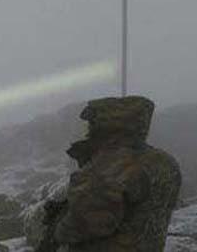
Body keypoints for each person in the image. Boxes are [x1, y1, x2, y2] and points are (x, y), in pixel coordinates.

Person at [51, 96, 182, 252]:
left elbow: (82, 225)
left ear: (106, 126)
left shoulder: (111, 164)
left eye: (92, 123)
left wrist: (57, 227)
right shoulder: (165, 162)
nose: (88, 129)